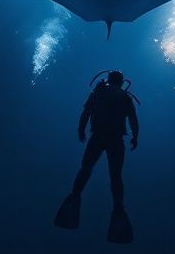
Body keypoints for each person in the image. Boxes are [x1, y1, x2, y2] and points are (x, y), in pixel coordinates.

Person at [54, 70, 139, 243]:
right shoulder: (125, 97)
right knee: (115, 175)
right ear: (122, 82)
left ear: (108, 80)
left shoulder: (99, 92)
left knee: (86, 167)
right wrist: (135, 136)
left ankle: (76, 194)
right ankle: (118, 204)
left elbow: (86, 112)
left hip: (97, 136)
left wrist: (81, 129)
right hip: (115, 139)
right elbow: (133, 119)